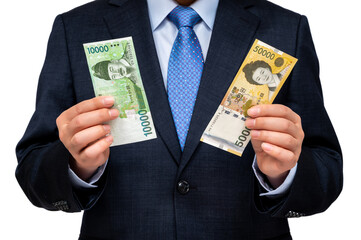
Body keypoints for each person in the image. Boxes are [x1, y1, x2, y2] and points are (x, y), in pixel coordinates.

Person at [15, 0, 343, 239]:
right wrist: (77, 167)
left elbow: (326, 169)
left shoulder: (286, 28)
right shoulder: (76, 28)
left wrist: (283, 174)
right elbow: (33, 169)